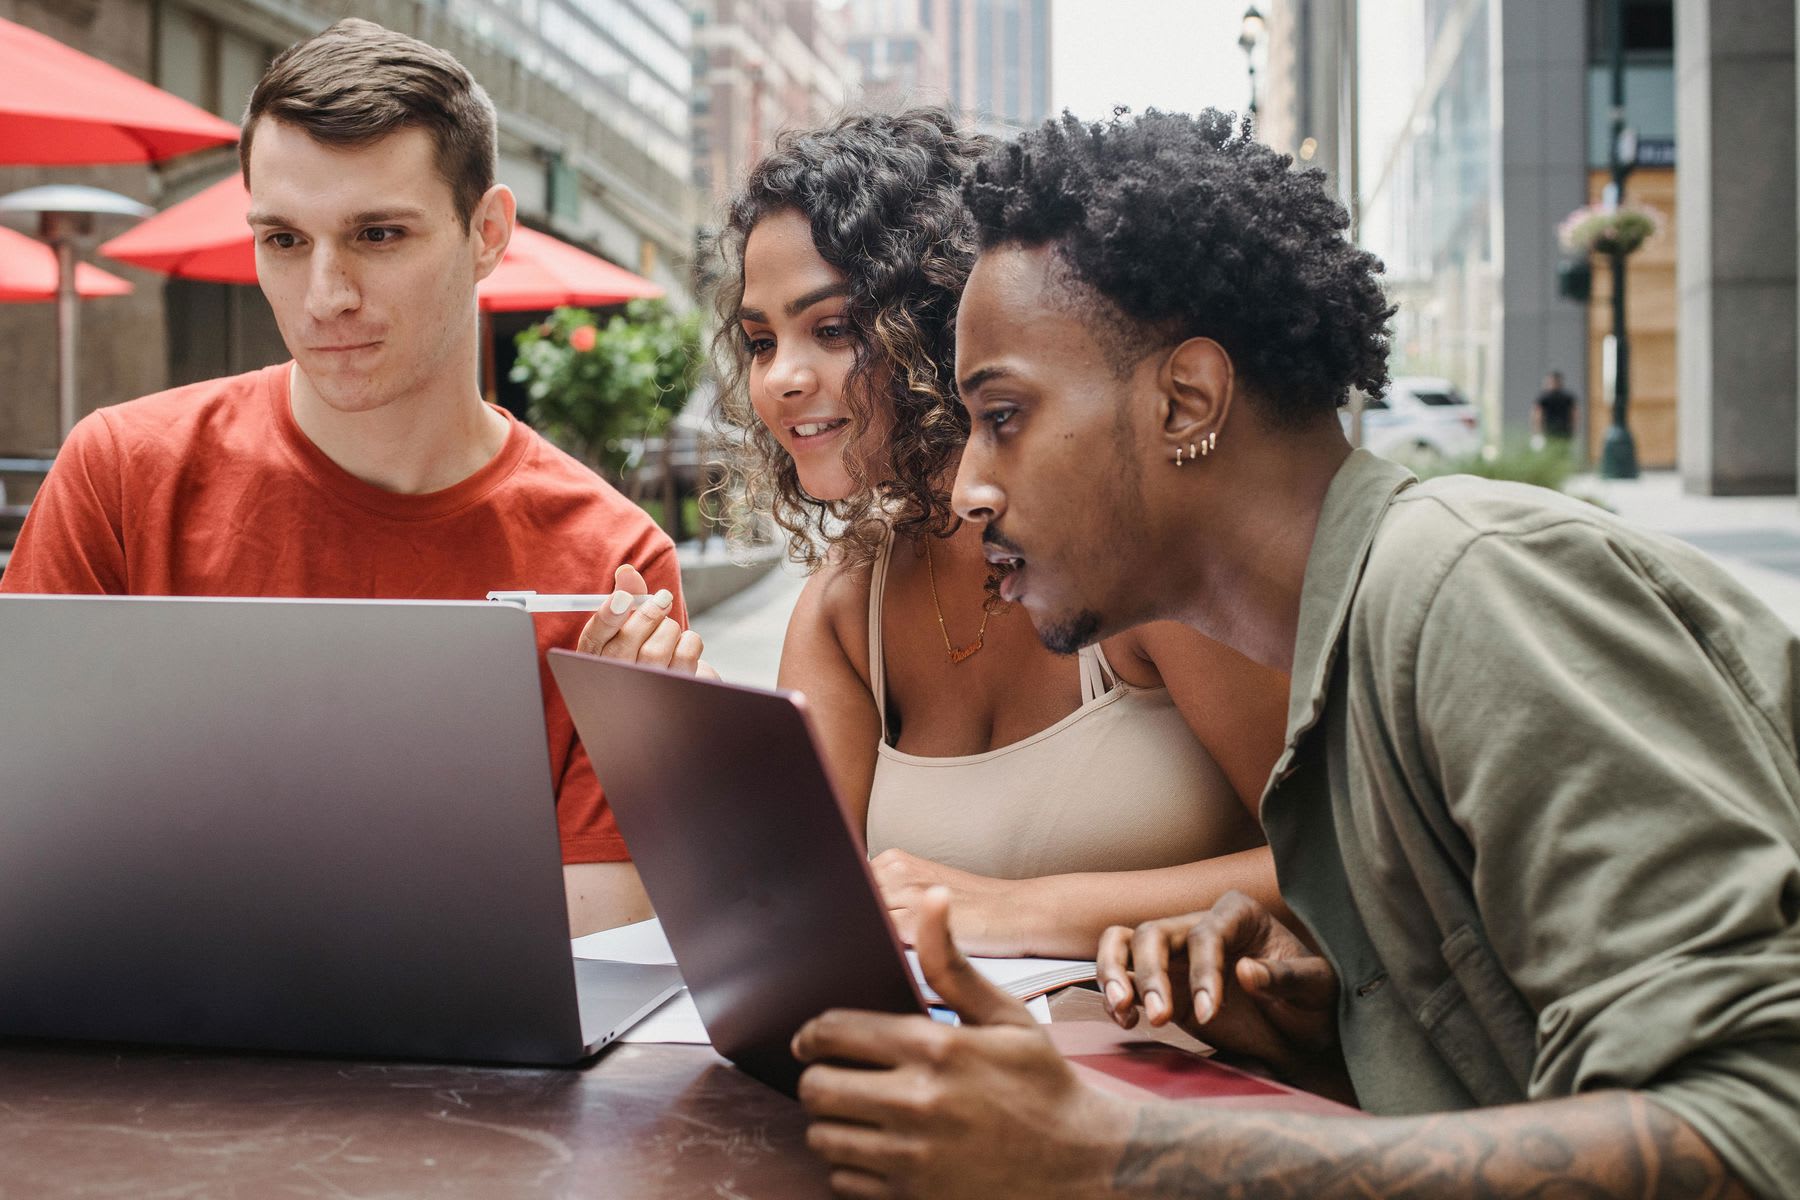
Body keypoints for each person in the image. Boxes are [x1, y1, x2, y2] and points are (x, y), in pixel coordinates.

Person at [791, 109, 1798, 1198]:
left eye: (1003, 414)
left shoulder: (1466, 586)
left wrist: (1121, 1156)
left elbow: (1755, 1132)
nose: (973, 484)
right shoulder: (1343, 679)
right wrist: (1337, 1039)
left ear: (1187, 401)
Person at [0, 19, 693, 938]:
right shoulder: (123, 475)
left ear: (487, 233)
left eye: (377, 234)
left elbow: (606, 928)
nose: (326, 295)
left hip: (462, 1081)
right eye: (283, 240)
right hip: (137, 1063)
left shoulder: (612, 562)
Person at [690, 108, 1290, 959]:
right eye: (759, 341)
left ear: (940, 320)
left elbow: (1351, 864)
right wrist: (673, 745)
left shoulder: (1137, 559)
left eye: (831, 329)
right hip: (945, 1075)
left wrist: (1019, 911)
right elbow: (788, 911)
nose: (781, 379)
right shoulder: (843, 606)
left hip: (1184, 1076)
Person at [1533, 369, 1578, 444]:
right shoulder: (1544, 398)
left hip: (1563, 429)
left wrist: (1537, 431)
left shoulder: (1567, 397)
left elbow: (1574, 414)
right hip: (1550, 430)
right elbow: (1538, 414)